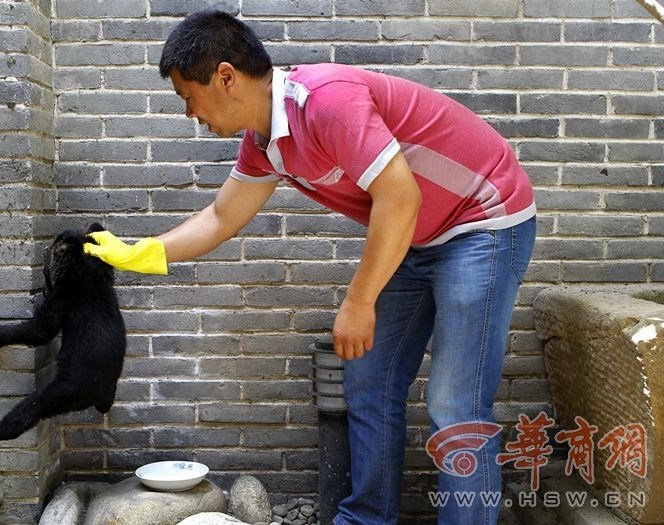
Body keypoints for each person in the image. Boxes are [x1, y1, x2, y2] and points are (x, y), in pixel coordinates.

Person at [84, 10, 536, 525]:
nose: (190, 113)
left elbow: (398, 195)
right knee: (368, 382)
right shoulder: (263, 144)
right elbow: (219, 217)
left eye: (189, 96)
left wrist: (359, 301)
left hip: (483, 220)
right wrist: (139, 252)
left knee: (455, 405)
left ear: (226, 77)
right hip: (415, 233)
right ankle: (366, 519)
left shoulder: (325, 100)